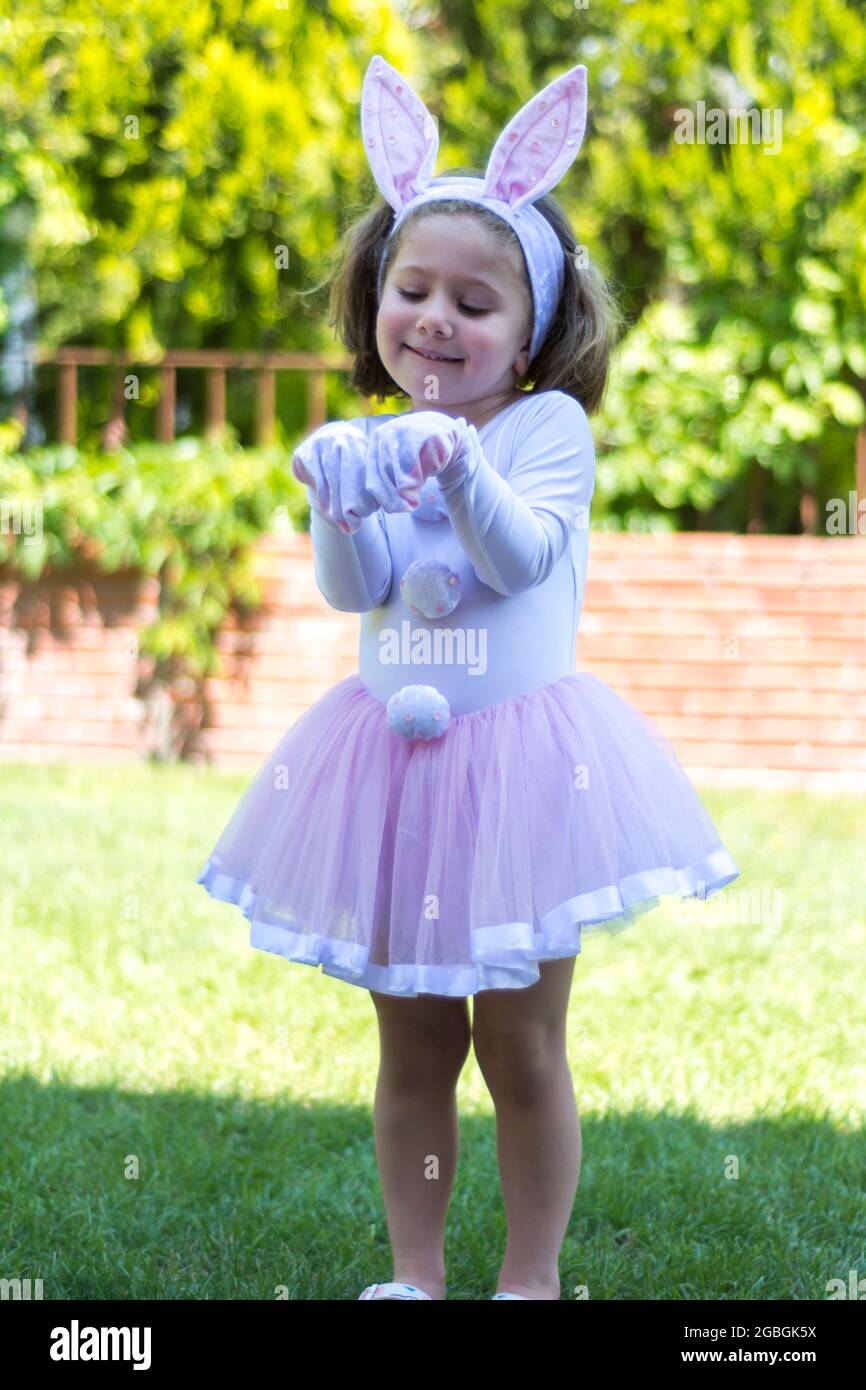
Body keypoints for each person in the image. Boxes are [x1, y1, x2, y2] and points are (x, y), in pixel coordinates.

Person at [196, 55, 740, 1302]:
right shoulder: (387, 432)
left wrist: (452, 463)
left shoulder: (545, 430)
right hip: (392, 768)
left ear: (533, 327)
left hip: (522, 772)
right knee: (413, 1048)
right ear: (374, 298)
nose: (435, 319)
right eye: (412, 288)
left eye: (474, 302)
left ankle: (531, 1276)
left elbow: (522, 550)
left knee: (522, 1043)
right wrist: (341, 497)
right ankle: (415, 1273)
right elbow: (359, 586)